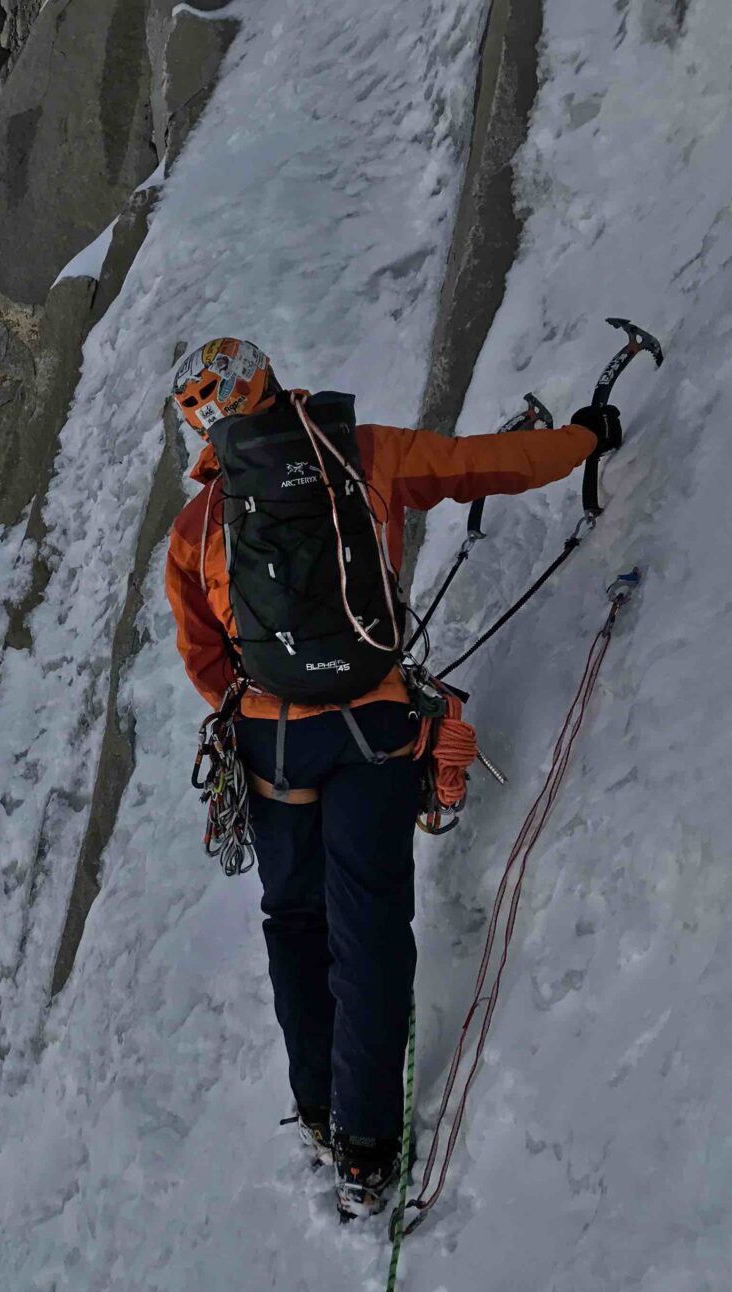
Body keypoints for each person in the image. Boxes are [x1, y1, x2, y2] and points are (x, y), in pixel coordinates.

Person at [161, 337, 620, 1219]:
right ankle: (368, 1150)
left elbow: (204, 658)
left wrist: (266, 707)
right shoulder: (362, 454)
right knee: (369, 921)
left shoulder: (202, 527)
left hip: (274, 744)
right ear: (274, 382)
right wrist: (583, 440)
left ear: (204, 429)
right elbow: (490, 465)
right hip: (374, 727)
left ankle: (324, 1116)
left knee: (295, 919)